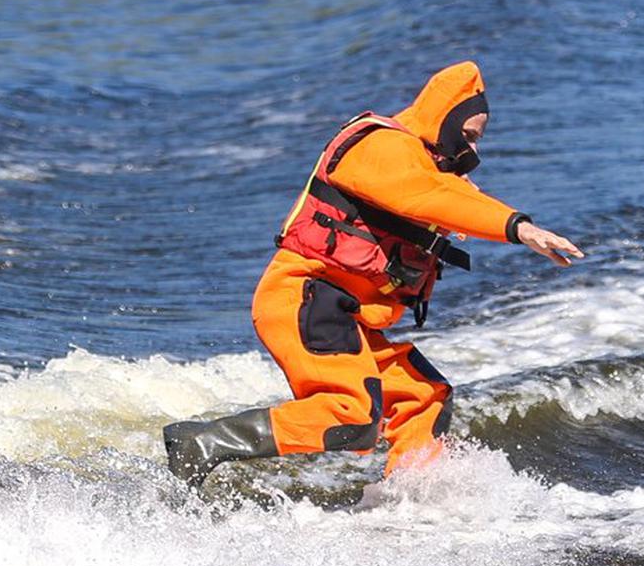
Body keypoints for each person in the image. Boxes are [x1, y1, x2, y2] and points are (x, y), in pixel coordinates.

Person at [164, 61, 583, 488]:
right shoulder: (379, 145)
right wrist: (518, 227)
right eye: (469, 137)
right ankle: (202, 442)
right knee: (353, 415)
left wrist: (490, 209)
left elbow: (445, 196)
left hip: (345, 314)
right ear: (445, 122)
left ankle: (416, 498)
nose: (472, 151)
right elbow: (426, 196)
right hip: (305, 299)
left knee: (422, 396)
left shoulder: (423, 167)